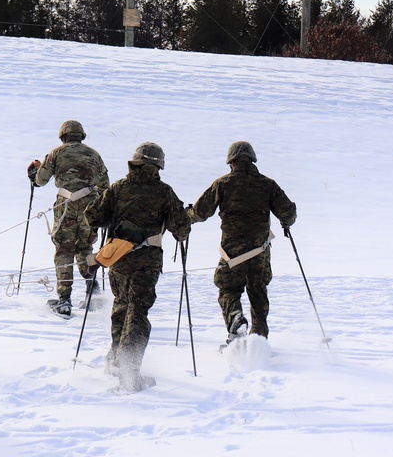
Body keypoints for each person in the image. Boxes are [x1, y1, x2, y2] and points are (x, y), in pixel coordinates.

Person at [85, 142, 190, 391]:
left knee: (121, 305)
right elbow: (181, 231)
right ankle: (129, 371)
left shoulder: (118, 187)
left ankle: (116, 359)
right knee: (138, 311)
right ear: (158, 166)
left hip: (118, 259)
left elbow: (93, 216)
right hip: (147, 262)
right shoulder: (164, 192)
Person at [186, 141, 297, 346]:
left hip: (232, 253)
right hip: (260, 253)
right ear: (252, 159)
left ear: (231, 162)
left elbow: (201, 212)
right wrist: (286, 222)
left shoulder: (222, 184)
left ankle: (236, 321)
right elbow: (288, 212)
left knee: (228, 289)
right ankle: (258, 341)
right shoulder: (268, 184)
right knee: (258, 293)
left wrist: (187, 216)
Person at [27, 120, 109, 318]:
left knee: (64, 249)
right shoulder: (94, 154)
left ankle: (64, 300)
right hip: (91, 205)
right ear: (81, 135)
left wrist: (33, 172)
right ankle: (92, 289)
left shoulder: (56, 153)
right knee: (85, 247)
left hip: (66, 205)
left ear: (63, 136)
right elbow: (105, 184)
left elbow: (40, 180)